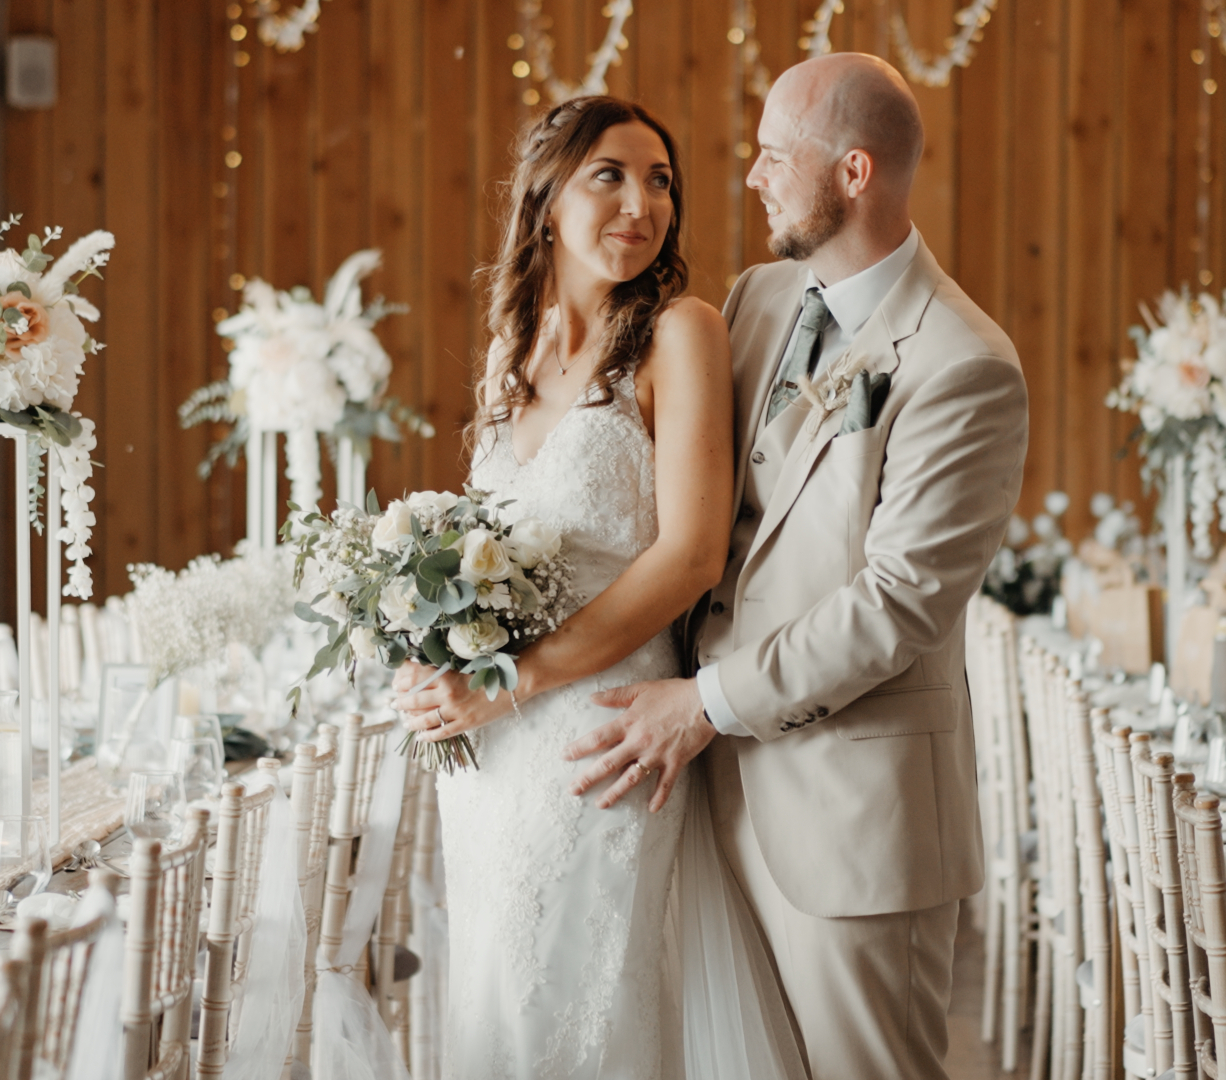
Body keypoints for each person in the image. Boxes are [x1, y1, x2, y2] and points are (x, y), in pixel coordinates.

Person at [567, 54, 1030, 1078]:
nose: (752, 177)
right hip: (707, 799)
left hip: (853, 823)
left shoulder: (965, 364)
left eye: (776, 155)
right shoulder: (758, 299)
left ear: (853, 174)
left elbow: (896, 606)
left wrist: (706, 702)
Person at [390, 96, 800, 1080]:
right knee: (496, 992)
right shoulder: (511, 352)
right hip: (492, 756)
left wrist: (513, 680)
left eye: (660, 180)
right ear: (544, 203)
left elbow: (691, 554)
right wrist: (430, 644)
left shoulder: (679, 333)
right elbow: (484, 549)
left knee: (583, 1002)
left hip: (605, 728)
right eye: (609, 175)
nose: (641, 201)